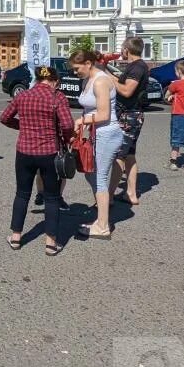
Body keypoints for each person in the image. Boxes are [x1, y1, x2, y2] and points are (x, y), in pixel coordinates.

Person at [0, 66, 74, 256]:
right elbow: (67, 124)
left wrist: (22, 126)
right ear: (55, 81)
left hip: (24, 151)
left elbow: (4, 118)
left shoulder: (23, 95)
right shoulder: (57, 97)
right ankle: (51, 243)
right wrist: (65, 139)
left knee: (22, 194)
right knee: (51, 197)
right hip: (49, 152)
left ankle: (16, 237)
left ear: (37, 79)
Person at [70, 49, 123, 238]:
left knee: (99, 178)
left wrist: (81, 122)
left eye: (77, 68)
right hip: (97, 132)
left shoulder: (100, 81)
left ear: (88, 63)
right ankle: (102, 215)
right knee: (91, 175)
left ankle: (102, 225)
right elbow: (90, 110)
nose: (75, 72)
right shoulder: (88, 79)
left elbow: (103, 114)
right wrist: (81, 124)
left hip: (107, 133)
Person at [109, 37, 150, 206]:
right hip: (132, 115)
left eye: (122, 48)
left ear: (127, 49)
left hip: (129, 116)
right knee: (129, 155)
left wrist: (108, 77)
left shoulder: (137, 67)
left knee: (119, 155)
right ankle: (131, 194)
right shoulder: (135, 66)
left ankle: (108, 196)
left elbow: (126, 91)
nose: (121, 51)